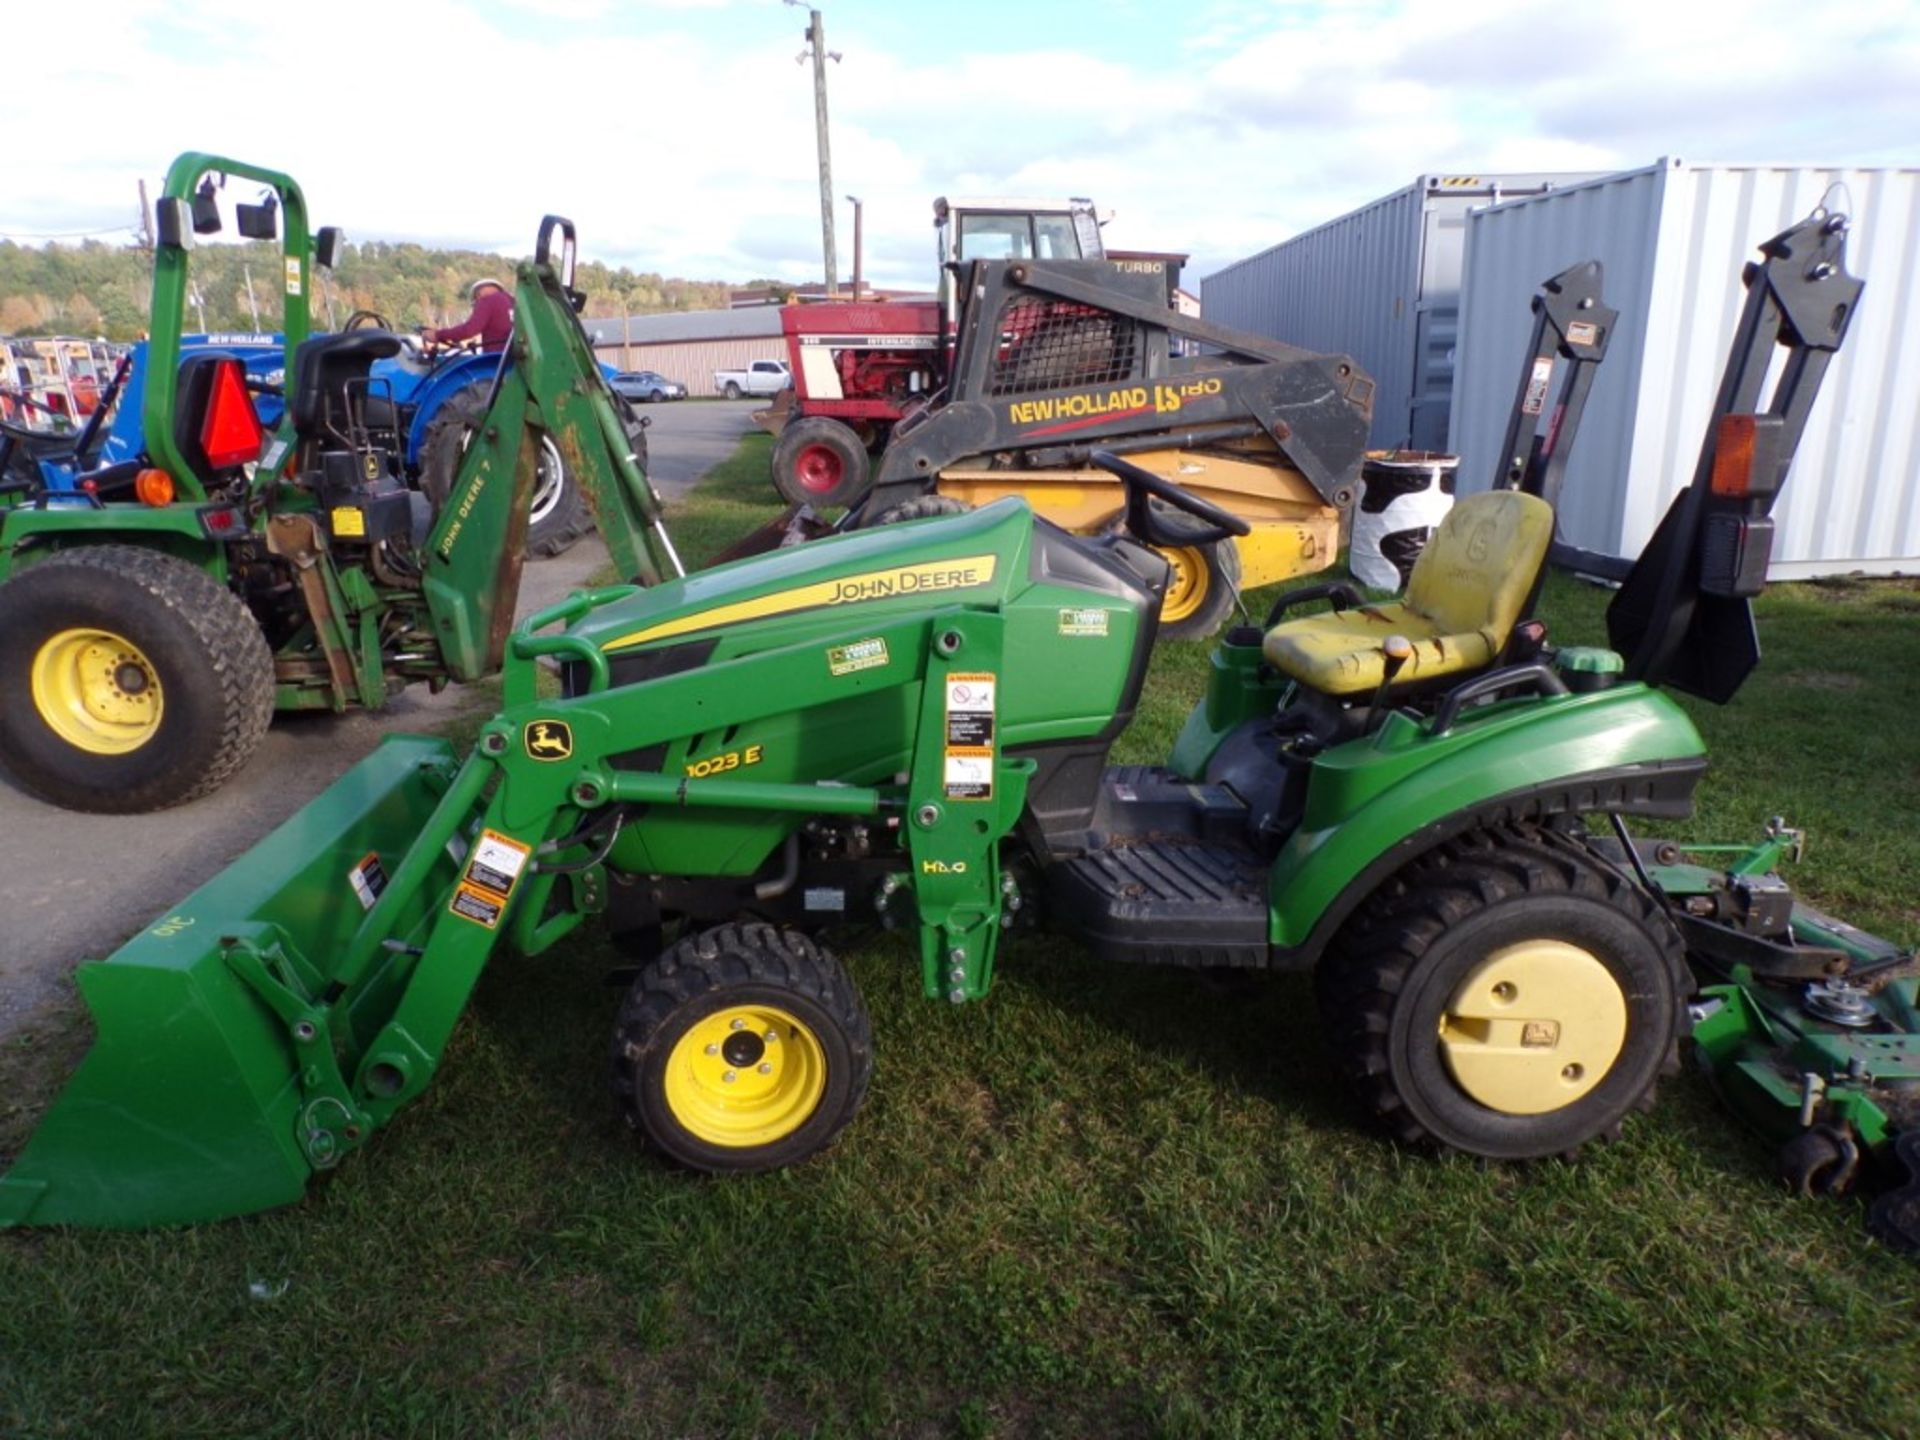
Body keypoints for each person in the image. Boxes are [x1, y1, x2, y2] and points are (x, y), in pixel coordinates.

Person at [426, 278, 514, 353]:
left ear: (478, 294)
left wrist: (437, 335)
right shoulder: (513, 301)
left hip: (496, 361)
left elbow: (470, 329)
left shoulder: (487, 300)